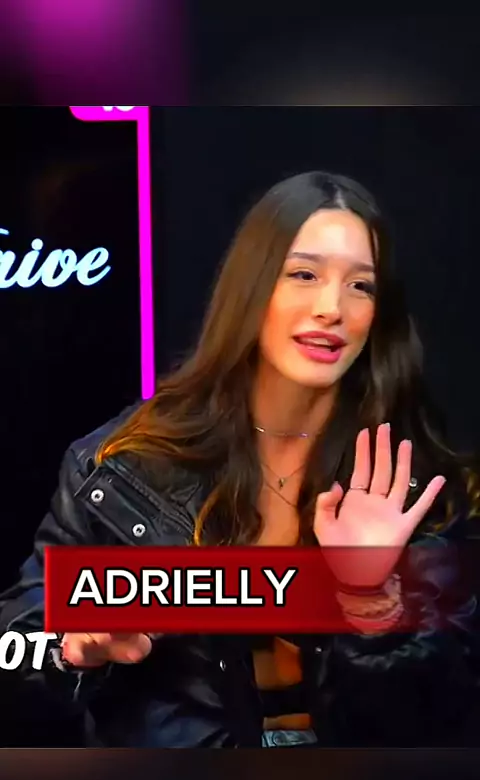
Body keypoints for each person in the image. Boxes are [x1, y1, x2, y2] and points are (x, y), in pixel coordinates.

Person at [1, 170, 479, 748]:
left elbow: (441, 717)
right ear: (251, 287)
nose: (331, 308)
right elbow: (15, 644)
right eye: (304, 274)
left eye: (361, 286)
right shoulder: (124, 467)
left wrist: (371, 600)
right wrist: (72, 648)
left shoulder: (417, 483)